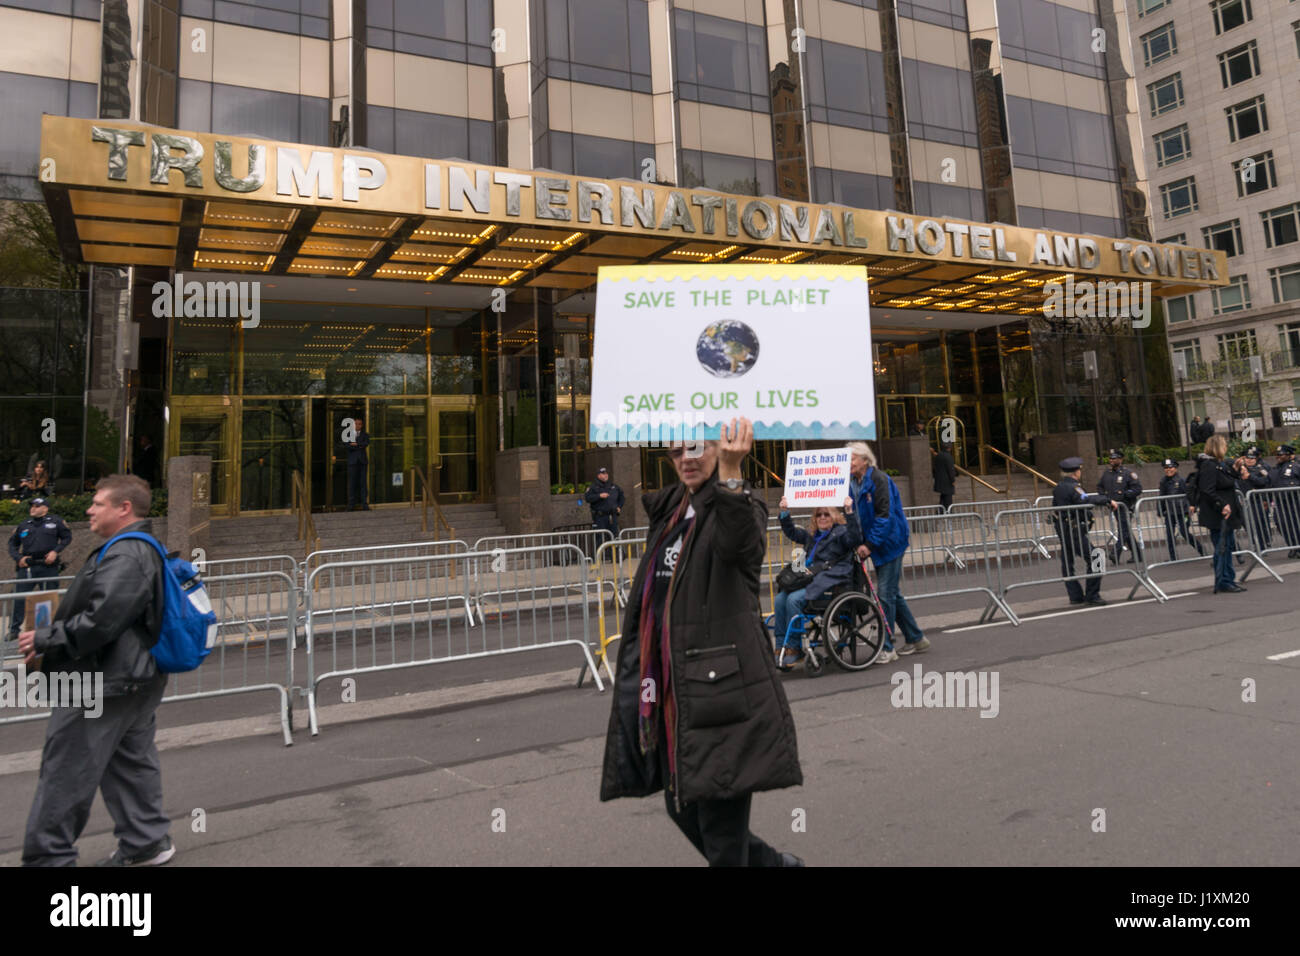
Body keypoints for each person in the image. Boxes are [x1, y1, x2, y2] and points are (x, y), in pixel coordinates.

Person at [599, 419, 803, 867]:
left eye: (696, 447)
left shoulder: (739, 504)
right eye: (675, 451)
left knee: (721, 834)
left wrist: (731, 472)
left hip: (722, 696)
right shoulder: (672, 509)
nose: (686, 458)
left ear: (718, 445)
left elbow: (740, 549)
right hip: (675, 693)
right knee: (682, 806)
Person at [18, 474, 174, 866]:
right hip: (131, 678)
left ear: (124, 508)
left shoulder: (127, 553)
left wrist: (45, 639)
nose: (88, 509)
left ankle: (49, 858)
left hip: (102, 681)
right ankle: (147, 842)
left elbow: (102, 622)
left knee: (67, 769)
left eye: (98, 502)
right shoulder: (136, 549)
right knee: (130, 762)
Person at [848, 440, 927, 662]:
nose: (849, 462)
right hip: (876, 543)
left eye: (852, 458)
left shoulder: (879, 480)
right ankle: (916, 638)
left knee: (884, 595)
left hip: (890, 543)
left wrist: (869, 545)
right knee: (892, 594)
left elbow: (884, 516)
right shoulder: (852, 482)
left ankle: (887, 647)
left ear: (865, 460)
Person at [771, 496, 860, 669]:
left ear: (834, 516)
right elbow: (792, 532)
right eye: (819, 514)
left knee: (793, 600)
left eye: (826, 514)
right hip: (809, 579)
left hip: (830, 583)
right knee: (780, 599)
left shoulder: (841, 533)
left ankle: (794, 648)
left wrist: (849, 511)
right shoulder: (813, 536)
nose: (822, 517)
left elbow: (855, 539)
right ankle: (781, 646)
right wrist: (784, 512)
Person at [1051, 457, 1115, 606]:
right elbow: (1085, 500)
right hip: (1074, 531)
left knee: (1068, 563)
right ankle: (1092, 595)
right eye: (1079, 469)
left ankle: (1075, 595)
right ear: (1076, 472)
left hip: (1065, 529)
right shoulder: (1073, 487)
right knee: (1096, 558)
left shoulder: (1059, 487)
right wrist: (1106, 500)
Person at [7, 497, 71, 639]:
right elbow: (12, 544)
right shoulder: (24, 525)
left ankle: (49, 632)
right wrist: (18, 558)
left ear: (45, 508)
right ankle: (14, 630)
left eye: (37, 506)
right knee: (18, 598)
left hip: (48, 566)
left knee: (48, 599)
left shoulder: (56, 522)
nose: (33, 508)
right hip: (28, 567)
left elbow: (67, 537)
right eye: (32, 506)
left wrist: (56, 551)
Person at [1193, 435, 1246, 593]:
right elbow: (1207, 490)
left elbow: (1227, 481)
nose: (1226, 448)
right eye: (1224, 445)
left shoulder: (1218, 464)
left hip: (1226, 512)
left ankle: (1228, 578)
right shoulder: (1209, 465)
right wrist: (1222, 504)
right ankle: (1223, 580)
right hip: (1218, 513)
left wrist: (1235, 469)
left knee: (1227, 546)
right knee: (1222, 547)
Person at [1097, 449, 1142, 565]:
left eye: (1114, 458)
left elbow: (1137, 489)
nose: (1112, 460)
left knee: (1123, 529)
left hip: (1126, 506)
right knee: (1125, 529)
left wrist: (1124, 495)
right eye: (1111, 458)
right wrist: (1105, 498)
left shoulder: (1128, 473)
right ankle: (1138, 554)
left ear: (1121, 460)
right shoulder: (1107, 473)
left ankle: (1115, 553)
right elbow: (1100, 486)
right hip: (1114, 506)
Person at [1157, 458, 1203, 561]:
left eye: (1171, 467)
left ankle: (1201, 550)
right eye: (1166, 468)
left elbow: (1190, 494)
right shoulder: (1163, 481)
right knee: (1169, 535)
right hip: (1170, 512)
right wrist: (1160, 510)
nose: (1168, 470)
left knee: (1184, 532)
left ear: (1176, 468)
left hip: (1183, 512)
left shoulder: (1181, 481)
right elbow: (1161, 496)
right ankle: (1173, 558)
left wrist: (1193, 506)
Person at [1238, 446, 1272, 553]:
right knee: (1248, 525)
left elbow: (1264, 482)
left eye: (1252, 458)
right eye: (1247, 458)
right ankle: (1255, 543)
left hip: (1257, 501)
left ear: (1256, 459)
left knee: (1258, 524)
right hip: (1244, 501)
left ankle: (1261, 545)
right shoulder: (1241, 470)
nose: (1249, 460)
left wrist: (1249, 477)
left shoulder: (1260, 469)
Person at [1269, 444, 1300, 559]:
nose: (1278, 457)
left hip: (1295, 501)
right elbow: (1267, 483)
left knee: (1296, 525)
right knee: (1281, 523)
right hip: (1281, 502)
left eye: (1281, 455)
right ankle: (1293, 546)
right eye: (1277, 455)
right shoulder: (1276, 469)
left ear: (1289, 455)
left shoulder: (1296, 466)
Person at [584, 466, 625, 536]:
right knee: (601, 539)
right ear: (598, 475)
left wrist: (619, 507)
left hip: (612, 516)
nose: (606, 475)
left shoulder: (613, 486)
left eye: (606, 473)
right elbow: (587, 498)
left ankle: (615, 547)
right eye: (603, 473)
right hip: (600, 518)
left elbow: (622, 497)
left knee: (614, 538)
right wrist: (599, 496)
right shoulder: (593, 487)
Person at [343, 414, 370, 511]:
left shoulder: (365, 435)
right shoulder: (348, 434)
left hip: (362, 462)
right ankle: (351, 505)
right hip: (352, 463)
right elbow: (347, 446)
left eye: (359, 424)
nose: (357, 425)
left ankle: (364, 504)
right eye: (355, 424)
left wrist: (355, 444)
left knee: (363, 484)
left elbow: (365, 444)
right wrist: (358, 445)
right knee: (352, 484)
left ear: (362, 425)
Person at [932, 441, 957, 510]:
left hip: (940, 480)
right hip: (947, 481)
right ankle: (948, 512)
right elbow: (950, 469)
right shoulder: (948, 457)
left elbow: (934, 468)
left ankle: (941, 511)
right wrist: (953, 480)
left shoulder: (938, 455)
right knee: (948, 498)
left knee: (943, 497)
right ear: (949, 448)